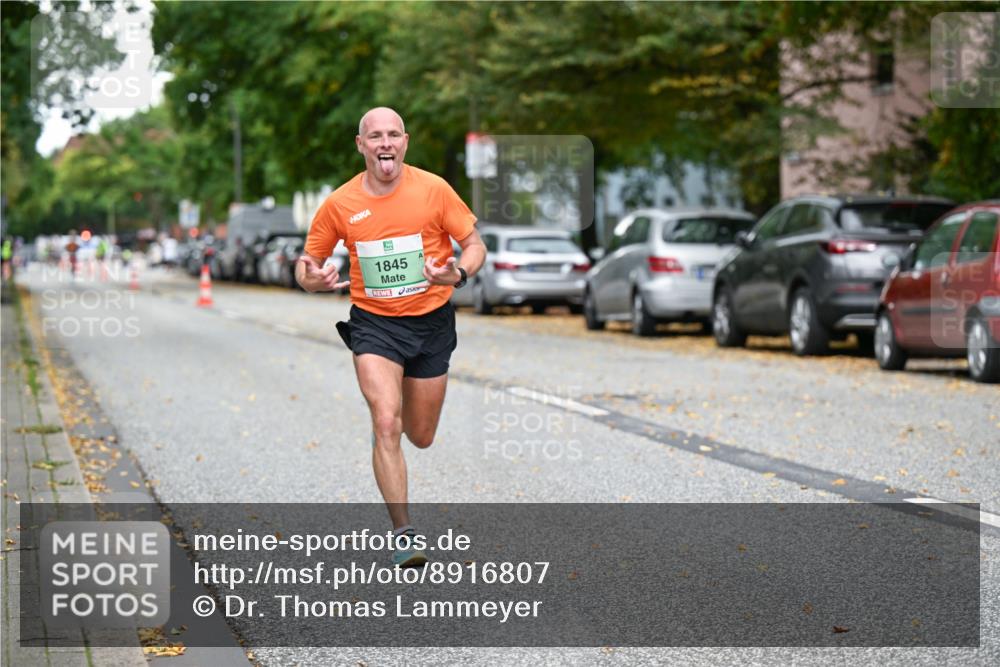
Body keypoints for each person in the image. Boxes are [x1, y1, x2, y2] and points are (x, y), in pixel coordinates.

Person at [296, 107, 486, 567]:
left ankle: (407, 387)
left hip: (432, 322)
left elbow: (475, 244)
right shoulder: (340, 203)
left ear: (405, 142)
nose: (385, 143)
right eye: (375, 136)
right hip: (375, 324)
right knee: (386, 421)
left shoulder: (434, 189)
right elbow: (307, 263)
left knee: (420, 436)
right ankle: (404, 533)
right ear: (361, 145)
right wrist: (311, 279)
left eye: (393, 134)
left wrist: (456, 273)